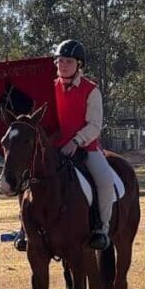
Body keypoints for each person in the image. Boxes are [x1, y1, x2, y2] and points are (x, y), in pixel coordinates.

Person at [52, 40, 114, 251]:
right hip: (53, 149)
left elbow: (95, 125)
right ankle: (25, 229)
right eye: (60, 61)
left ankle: (101, 229)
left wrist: (76, 141)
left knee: (105, 181)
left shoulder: (91, 90)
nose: (63, 65)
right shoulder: (48, 88)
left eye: (68, 61)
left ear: (79, 64)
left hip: (84, 148)